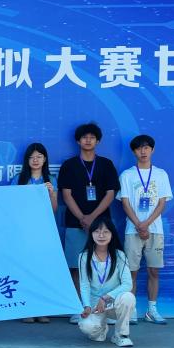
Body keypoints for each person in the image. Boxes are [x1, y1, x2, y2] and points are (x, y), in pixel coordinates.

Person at [57, 122, 120, 324]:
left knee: (105, 266)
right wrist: (82, 218)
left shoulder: (106, 164)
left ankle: (105, 309)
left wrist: (93, 218)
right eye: (84, 137)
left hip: (102, 225)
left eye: (92, 137)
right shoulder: (69, 165)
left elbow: (110, 193)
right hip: (75, 223)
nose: (88, 140)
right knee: (76, 267)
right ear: (78, 140)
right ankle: (78, 307)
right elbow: (66, 195)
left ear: (98, 141)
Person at [120, 134, 173, 325]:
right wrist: (138, 224)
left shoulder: (161, 174)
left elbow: (162, 203)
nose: (143, 151)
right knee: (131, 272)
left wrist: (147, 223)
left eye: (146, 147)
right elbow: (125, 202)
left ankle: (152, 310)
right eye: (139, 148)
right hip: (132, 230)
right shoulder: (127, 175)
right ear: (134, 151)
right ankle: (131, 310)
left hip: (155, 230)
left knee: (154, 271)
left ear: (152, 150)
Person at [12, 142, 59, 324]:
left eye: (39, 156)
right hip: (23, 232)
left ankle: (42, 309)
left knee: (43, 270)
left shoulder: (50, 180)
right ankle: (27, 309)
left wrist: (52, 193)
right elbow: (10, 207)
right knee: (25, 270)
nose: (35, 160)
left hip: (44, 232)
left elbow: (54, 209)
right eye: (32, 157)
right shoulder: (19, 179)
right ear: (27, 160)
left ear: (45, 159)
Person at [77, 216, 135, 347]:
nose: (101, 235)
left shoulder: (119, 255)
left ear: (112, 234)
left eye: (105, 231)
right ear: (91, 234)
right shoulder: (83, 256)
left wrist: (105, 297)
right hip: (94, 305)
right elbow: (84, 285)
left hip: (113, 302)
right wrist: (86, 306)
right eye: (97, 231)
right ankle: (101, 328)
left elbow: (127, 284)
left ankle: (121, 335)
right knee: (87, 327)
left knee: (128, 297)